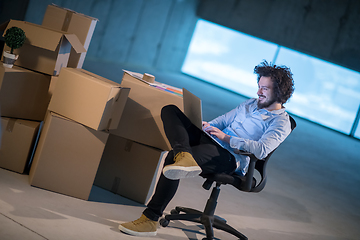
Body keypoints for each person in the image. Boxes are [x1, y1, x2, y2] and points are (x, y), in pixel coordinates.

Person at [118, 60, 295, 237]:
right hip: (212, 140)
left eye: (264, 88)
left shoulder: (281, 122)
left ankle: (150, 219)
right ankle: (185, 155)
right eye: (259, 86)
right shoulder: (250, 103)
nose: (258, 92)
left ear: (279, 92)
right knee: (170, 110)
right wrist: (207, 125)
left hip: (230, 157)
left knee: (173, 158)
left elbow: (262, 150)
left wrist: (226, 138)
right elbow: (223, 121)